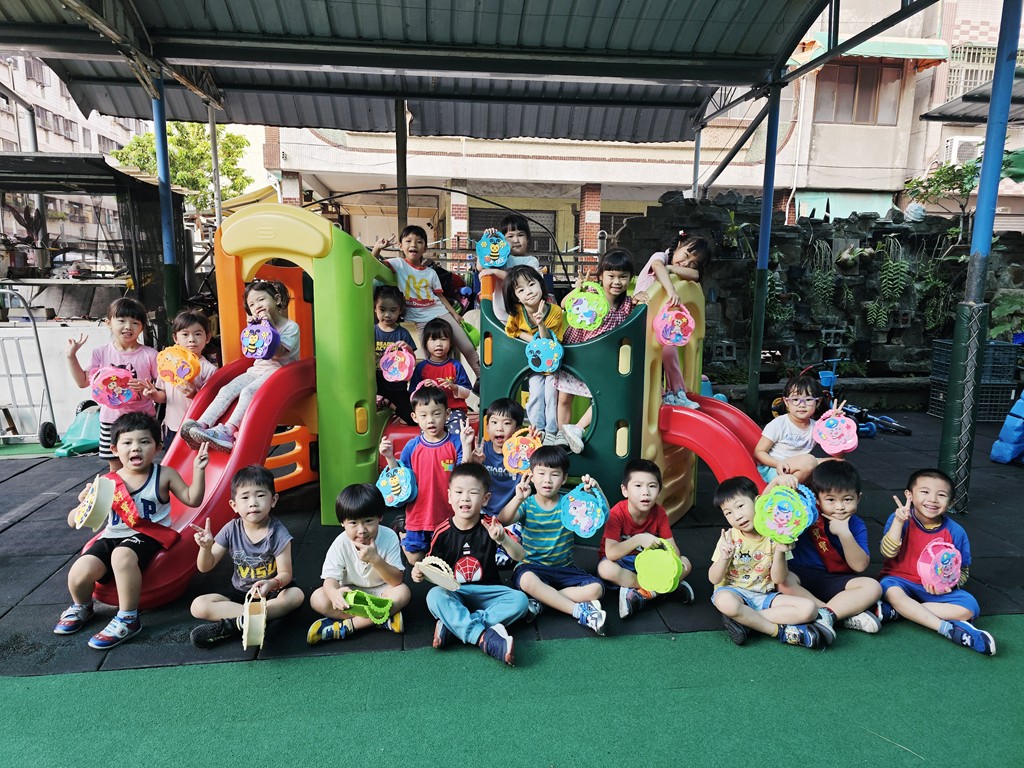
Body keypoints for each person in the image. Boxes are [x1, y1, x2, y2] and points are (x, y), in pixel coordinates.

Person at [54, 413, 209, 649]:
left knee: (122, 555)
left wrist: (199, 471)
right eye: (127, 443)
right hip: (112, 536)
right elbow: (73, 521)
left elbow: (192, 499)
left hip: (149, 535)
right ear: (115, 449)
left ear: (158, 447)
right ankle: (82, 606)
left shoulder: (164, 475)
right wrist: (83, 502)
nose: (135, 448)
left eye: (144, 442)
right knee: (80, 569)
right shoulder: (107, 482)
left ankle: (128, 617)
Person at [415, 463, 529, 666]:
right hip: (456, 591)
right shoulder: (442, 532)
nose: (465, 498)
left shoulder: (491, 525)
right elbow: (431, 568)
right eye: (459, 492)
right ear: (449, 496)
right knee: (434, 596)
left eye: (473, 493)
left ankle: (455, 626)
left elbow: (520, 555)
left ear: (485, 498)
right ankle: (484, 638)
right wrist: (419, 572)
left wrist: (502, 539)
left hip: (489, 592)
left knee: (520, 600)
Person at [877, 469, 995, 655]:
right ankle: (947, 629)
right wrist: (899, 522)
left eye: (941, 495)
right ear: (909, 495)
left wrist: (947, 586)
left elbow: (963, 569)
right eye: (925, 492)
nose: (932, 499)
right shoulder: (899, 519)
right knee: (890, 591)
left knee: (970, 607)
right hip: (899, 581)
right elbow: (887, 552)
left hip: (934, 591)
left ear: (951, 502)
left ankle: (900, 611)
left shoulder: (956, 532)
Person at [708, 476, 834, 649]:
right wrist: (724, 557)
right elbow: (714, 579)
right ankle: (779, 631)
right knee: (725, 601)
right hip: (733, 592)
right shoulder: (729, 538)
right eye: (728, 513)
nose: (737, 516)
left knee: (809, 609)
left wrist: (780, 552)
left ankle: (745, 620)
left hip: (764, 596)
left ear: (758, 502)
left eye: (740, 506)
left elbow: (779, 578)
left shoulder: (777, 534)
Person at [188, 465, 304, 648]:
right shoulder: (231, 529)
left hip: (271, 593)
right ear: (234, 505)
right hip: (241, 594)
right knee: (198, 605)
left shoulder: (279, 534)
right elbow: (205, 566)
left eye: (260, 495)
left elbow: (285, 574)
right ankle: (257, 620)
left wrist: (271, 584)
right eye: (245, 497)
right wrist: (206, 548)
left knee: (296, 595)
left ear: (273, 500)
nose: (253, 503)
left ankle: (234, 624)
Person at [498, 446, 607, 635]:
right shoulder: (527, 504)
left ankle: (543, 601)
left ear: (564, 479)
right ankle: (578, 611)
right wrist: (517, 499)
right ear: (532, 476)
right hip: (533, 568)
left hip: (564, 569)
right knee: (527, 581)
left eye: (554, 474)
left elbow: (603, 514)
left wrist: (597, 490)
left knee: (596, 589)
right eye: (541, 473)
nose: (547, 480)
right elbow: (503, 520)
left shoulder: (571, 504)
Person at [182, 279, 300, 452]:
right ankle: (202, 424)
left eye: (261, 300)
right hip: (257, 370)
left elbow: (277, 353)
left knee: (248, 392)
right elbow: (252, 351)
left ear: (276, 299)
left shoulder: (291, 327)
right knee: (227, 389)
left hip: (279, 375)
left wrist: (269, 327)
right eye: (252, 304)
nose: (257, 306)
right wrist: (254, 329)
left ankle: (228, 431)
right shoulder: (258, 326)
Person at [779, 460, 883, 634]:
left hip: (835, 581)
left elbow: (859, 566)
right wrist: (778, 482)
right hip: (800, 576)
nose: (840, 507)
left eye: (847, 499)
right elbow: (767, 512)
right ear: (817, 499)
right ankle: (836, 615)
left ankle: (825, 616)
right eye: (830, 500)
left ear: (858, 498)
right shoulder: (804, 515)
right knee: (782, 581)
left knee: (873, 587)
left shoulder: (856, 525)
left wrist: (844, 533)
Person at [554, 248, 638, 454]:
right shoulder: (591, 293)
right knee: (564, 398)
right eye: (611, 276)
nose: (617, 282)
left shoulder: (627, 304)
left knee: (603, 397)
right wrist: (578, 290)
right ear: (601, 276)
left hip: (601, 359)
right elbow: (564, 304)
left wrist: (641, 300)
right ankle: (561, 436)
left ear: (630, 278)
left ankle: (577, 428)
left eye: (623, 277)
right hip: (577, 352)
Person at [306, 483, 410, 644]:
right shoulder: (341, 543)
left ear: (380, 517)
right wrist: (334, 594)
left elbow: (396, 580)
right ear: (342, 522)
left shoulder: (389, 536)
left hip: (381, 592)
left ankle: (348, 626)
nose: (362, 530)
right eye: (353, 523)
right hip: (351, 593)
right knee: (317, 598)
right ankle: (381, 619)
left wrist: (375, 559)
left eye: (368, 521)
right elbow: (330, 579)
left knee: (403, 593)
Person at [65, 297, 159, 473]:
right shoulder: (100, 353)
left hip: (143, 420)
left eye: (135, 323)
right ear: (109, 323)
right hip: (111, 421)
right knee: (115, 466)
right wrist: (71, 356)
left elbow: (161, 390)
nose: (128, 327)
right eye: (121, 320)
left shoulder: (151, 355)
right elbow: (83, 381)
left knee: (142, 467)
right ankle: (118, 492)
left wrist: (148, 390)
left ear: (142, 327)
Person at [379, 383, 470, 564]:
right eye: (423, 415)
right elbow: (400, 477)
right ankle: (402, 532)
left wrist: (467, 445)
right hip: (418, 514)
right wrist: (389, 457)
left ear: (447, 414)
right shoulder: (412, 446)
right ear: (414, 417)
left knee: (446, 559)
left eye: (436, 414)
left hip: (447, 515)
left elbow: (464, 475)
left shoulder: (455, 443)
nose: (430, 420)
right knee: (415, 560)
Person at [371, 225, 480, 375]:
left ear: (425, 248)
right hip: (420, 320)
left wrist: (455, 314)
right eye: (408, 241)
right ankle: (433, 385)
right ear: (400, 245)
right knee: (431, 357)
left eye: (419, 241)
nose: (413, 245)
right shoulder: (398, 264)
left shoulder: (431, 273)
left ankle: (481, 378)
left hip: (440, 312)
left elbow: (440, 296)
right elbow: (373, 264)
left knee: (467, 347)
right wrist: (377, 248)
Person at [598, 459, 694, 619]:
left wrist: (667, 556)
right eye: (638, 486)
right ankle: (665, 588)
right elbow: (611, 553)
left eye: (652, 486)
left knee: (685, 563)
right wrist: (639, 539)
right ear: (625, 490)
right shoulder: (617, 514)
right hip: (622, 563)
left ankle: (642, 594)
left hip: (649, 563)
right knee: (605, 569)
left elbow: (675, 552)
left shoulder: (659, 513)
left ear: (659, 491)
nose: (646, 492)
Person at [632, 231, 712, 409]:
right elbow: (658, 266)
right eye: (686, 255)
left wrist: (672, 269)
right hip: (641, 320)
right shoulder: (659, 256)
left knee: (670, 350)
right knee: (649, 360)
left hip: (659, 323)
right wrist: (671, 290)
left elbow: (695, 275)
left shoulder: (674, 267)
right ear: (679, 245)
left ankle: (677, 393)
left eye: (693, 262)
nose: (686, 263)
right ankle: (664, 395)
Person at [503, 264, 566, 444]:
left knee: (551, 395)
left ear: (540, 284)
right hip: (534, 365)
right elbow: (511, 331)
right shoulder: (517, 313)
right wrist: (532, 340)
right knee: (536, 394)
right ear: (515, 296)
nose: (529, 292)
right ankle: (537, 430)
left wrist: (541, 324)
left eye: (531, 284)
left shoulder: (554, 311)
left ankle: (551, 431)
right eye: (521, 290)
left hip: (552, 363)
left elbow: (549, 344)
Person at [146, 309, 218, 447]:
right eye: (185, 334)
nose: (191, 339)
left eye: (198, 334)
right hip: (172, 426)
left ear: (207, 338)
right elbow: (164, 396)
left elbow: (212, 403)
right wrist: (154, 395)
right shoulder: (168, 363)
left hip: (196, 429)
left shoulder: (209, 369)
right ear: (175, 338)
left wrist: (194, 394)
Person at [753, 374, 821, 486]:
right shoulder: (779, 424)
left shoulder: (817, 427)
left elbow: (835, 449)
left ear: (817, 402)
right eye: (795, 399)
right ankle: (779, 491)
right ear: (786, 402)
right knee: (809, 462)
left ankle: (796, 488)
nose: (802, 405)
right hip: (775, 469)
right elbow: (759, 452)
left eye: (808, 399)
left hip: (798, 468)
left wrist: (836, 425)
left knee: (836, 463)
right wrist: (777, 463)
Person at [409, 318, 472, 436]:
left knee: (458, 432)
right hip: (430, 414)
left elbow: (467, 393)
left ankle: (457, 448)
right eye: (433, 339)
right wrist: (422, 388)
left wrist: (454, 387)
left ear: (451, 342)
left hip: (454, 411)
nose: (438, 344)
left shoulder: (455, 365)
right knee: (428, 434)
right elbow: (412, 396)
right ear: (425, 343)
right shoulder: (421, 367)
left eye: (443, 339)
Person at [477, 214, 543, 323]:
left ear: (527, 238)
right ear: (502, 240)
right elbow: (481, 267)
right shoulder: (500, 260)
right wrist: (486, 242)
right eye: (510, 236)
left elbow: (522, 279)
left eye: (520, 235)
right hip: (500, 317)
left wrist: (496, 272)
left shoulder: (531, 261)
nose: (516, 240)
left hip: (525, 320)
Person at [373, 284, 417, 426]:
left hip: (397, 386)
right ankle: (381, 399)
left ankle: (388, 403)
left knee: (411, 418)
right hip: (375, 384)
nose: (387, 315)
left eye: (393, 310)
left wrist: (408, 349)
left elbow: (412, 360)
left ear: (400, 311)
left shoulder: (402, 333)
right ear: (375, 308)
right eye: (382, 309)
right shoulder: (371, 331)